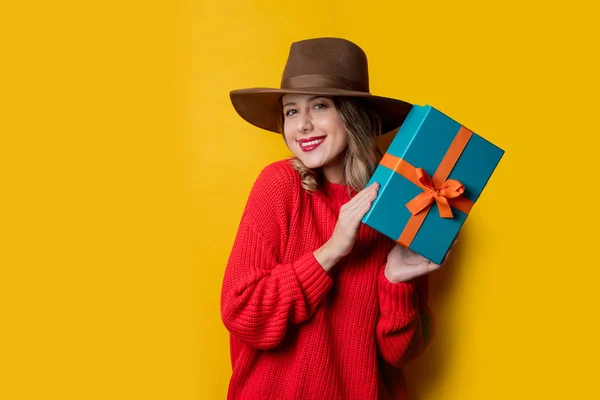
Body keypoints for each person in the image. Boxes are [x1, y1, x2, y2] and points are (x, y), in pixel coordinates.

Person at [221, 37, 454, 400]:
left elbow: (400, 354)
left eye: (320, 106)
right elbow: (242, 312)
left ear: (351, 114)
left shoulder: (400, 203)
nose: (303, 126)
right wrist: (331, 252)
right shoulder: (280, 185)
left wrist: (396, 281)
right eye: (291, 111)